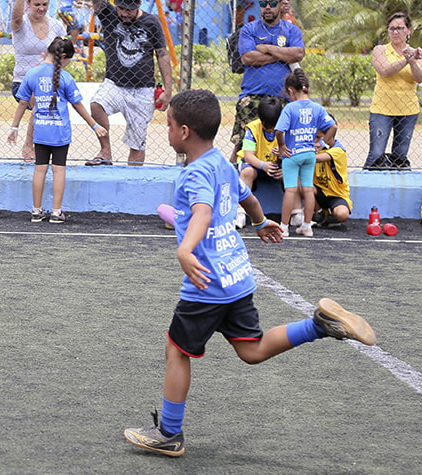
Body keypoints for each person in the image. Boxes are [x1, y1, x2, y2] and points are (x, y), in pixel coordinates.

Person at [122, 89, 376, 458]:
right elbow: (249, 198)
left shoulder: (193, 175)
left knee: (176, 351)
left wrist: (184, 249)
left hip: (206, 286)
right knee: (252, 350)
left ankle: (169, 434)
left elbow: (204, 213)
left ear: (184, 132)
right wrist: (259, 222)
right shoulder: (223, 165)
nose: (167, 130)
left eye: (169, 124)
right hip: (237, 278)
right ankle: (319, 325)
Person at [7, 37, 107, 223]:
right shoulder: (66, 78)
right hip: (60, 133)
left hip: (40, 131)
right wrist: (94, 125)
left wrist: (15, 127)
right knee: (59, 170)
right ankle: (56, 212)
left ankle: (36, 211)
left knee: (40, 169)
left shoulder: (32, 73)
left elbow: (22, 102)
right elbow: (78, 105)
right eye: (69, 59)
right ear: (63, 57)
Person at [84, 0, 172, 167]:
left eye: (129, 10)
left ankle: (134, 177)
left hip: (143, 89)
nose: (124, 13)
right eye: (121, 9)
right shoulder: (109, 15)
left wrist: (168, 89)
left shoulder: (151, 21)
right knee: (97, 105)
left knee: (137, 142)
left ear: (138, 5)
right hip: (114, 84)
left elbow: (162, 54)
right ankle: (105, 151)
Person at [229, 0, 303, 161]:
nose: (267, 7)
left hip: (283, 96)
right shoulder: (249, 29)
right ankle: (234, 175)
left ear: (279, 5)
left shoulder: (291, 30)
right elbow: (248, 57)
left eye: (272, 3)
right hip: (252, 95)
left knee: (284, 143)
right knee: (242, 143)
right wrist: (283, 54)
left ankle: (279, 178)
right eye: (263, 3)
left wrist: (268, 48)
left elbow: (298, 54)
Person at [273, 68, 335, 237]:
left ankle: (284, 227)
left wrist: (281, 146)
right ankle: (307, 226)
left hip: (292, 155)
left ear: (291, 91)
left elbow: (279, 131)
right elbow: (333, 126)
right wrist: (321, 143)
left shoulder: (290, 108)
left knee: (291, 190)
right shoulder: (318, 108)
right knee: (308, 189)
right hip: (309, 154)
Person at [367, 12, 422, 167]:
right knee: (376, 154)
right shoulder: (380, 50)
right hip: (382, 109)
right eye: (392, 28)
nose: (395, 32)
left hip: (408, 110)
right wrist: (406, 59)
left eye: (400, 28)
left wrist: (413, 60)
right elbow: (385, 70)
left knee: (400, 156)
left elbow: (420, 78)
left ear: (409, 30)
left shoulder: (416, 53)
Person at [9, 0, 65, 161]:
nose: (41, 8)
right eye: (37, 4)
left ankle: (48, 145)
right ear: (28, 4)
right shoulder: (21, 23)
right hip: (23, 82)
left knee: (45, 101)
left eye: (45, 4)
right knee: (38, 100)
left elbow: (64, 50)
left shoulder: (56, 25)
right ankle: (28, 145)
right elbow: (16, 17)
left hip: (48, 81)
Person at [232, 96, 283, 228]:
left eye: (274, 126)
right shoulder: (252, 129)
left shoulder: (285, 130)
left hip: (275, 166)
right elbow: (248, 156)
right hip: (257, 165)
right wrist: (263, 165)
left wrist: (284, 164)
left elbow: (291, 153)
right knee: (247, 172)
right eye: (267, 126)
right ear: (260, 119)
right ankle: (240, 212)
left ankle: (296, 213)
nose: (271, 130)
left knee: (294, 171)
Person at [312, 136, 352, 228]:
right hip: (319, 191)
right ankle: (319, 212)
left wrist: (295, 155)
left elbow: (315, 158)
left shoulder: (338, 150)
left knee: (342, 214)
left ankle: (331, 214)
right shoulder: (311, 149)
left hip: (336, 194)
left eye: (319, 137)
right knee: (300, 184)